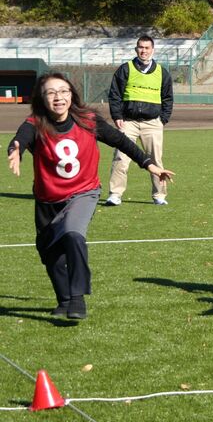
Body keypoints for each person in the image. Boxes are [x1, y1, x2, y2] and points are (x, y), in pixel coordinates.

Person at [6, 72, 174, 319]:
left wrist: (149, 163)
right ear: (42, 98)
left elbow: (121, 141)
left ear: (71, 94)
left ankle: (77, 298)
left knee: (73, 234)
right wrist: (16, 149)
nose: (58, 97)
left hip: (82, 193)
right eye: (51, 93)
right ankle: (64, 300)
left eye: (63, 91)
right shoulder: (35, 123)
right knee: (50, 254)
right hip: (47, 199)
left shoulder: (88, 120)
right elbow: (21, 138)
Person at [104, 35, 174, 206]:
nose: (143, 51)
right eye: (140, 47)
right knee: (121, 157)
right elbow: (115, 95)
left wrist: (162, 120)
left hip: (152, 123)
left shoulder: (162, 72)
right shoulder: (125, 69)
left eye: (147, 48)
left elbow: (168, 98)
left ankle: (159, 195)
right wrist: (117, 116)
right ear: (136, 49)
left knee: (156, 160)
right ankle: (115, 194)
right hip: (129, 122)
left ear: (153, 50)